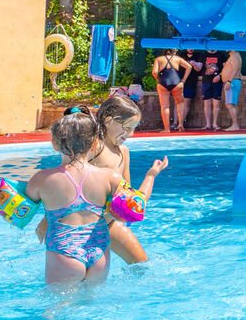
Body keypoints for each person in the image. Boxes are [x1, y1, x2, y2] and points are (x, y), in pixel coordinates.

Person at [23, 111, 166, 285]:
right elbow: (137, 205)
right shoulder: (109, 177)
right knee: (92, 305)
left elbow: (16, 212)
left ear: (54, 143)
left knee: (58, 307)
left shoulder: (42, 178)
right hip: (99, 250)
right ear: (95, 144)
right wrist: (151, 175)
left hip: (64, 251)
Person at [35, 101, 151, 265]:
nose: (130, 133)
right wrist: (48, 219)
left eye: (133, 128)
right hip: (84, 223)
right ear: (109, 121)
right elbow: (67, 179)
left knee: (141, 264)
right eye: (126, 127)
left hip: (108, 221)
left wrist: (150, 177)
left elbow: (127, 191)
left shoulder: (123, 152)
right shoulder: (94, 147)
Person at [152, 49, 191, 133]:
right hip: (176, 82)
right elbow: (189, 67)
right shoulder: (178, 58)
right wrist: (183, 80)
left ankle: (167, 129)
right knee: (180, 102)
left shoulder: (159, 59)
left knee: (165, 106)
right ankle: (180, 124)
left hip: (163, 82)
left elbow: (154, 72)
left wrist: (159, 80)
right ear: (174, 51)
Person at [179, 48, 205, 131]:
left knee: (186, 102)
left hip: (190, 82)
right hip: (179, 82)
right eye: (189, 47)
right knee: (178, 102)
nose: (190, 49)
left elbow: (198, 69)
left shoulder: (198, 55)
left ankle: (181, 123)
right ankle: (175, 123)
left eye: (192, 47)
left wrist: (194, 64)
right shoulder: (181, 54)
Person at [201, 49, 225, 131]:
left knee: (216, 103)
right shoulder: (204, 54)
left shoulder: (221, 55)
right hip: (206, 82)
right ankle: (208, 124)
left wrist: (220, 76)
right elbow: (199, 67)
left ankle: (215, 123)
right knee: (206, 103)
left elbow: (226, 68)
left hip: (217, 82)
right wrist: (194, 65)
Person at [220, 49, 243, 132]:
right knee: (232, 104)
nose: (226, 48)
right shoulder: (234, 56)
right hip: (232, 81)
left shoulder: (234, 55)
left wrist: (229, 82)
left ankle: (235, 125)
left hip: (232, 82)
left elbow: (235, 69)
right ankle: (235, 124)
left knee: (230, 104)